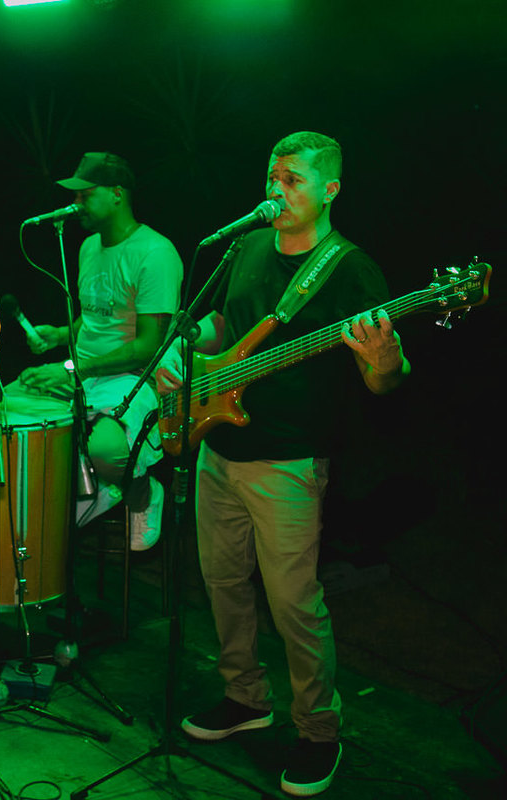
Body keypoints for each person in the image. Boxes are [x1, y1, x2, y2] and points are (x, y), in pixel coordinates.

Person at [156, 131, 410, 797]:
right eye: (273, 175)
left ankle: (319, 731)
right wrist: (185, 354)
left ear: (330, 189)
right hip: (219, 445)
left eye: (293, 179)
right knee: (221, 581)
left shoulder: (349, 269)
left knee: (294, 602)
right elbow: (221, 324)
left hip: (289, 461)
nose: (277, 189)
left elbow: (385, 381)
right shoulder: (244, 247)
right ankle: (244, 697)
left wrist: (385, 362)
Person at [8, 151, 183, 549]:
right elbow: (93, 318)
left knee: (104, 450)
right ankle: (54, 508)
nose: (75, 204)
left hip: (132, 379)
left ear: (117, 194)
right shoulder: (88, 247)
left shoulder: (155, 253)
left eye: (85, 195)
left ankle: (141, 492)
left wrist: (72, 370)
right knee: (6, 411)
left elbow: (147, 347)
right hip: (85, 370)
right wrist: (59, 335)